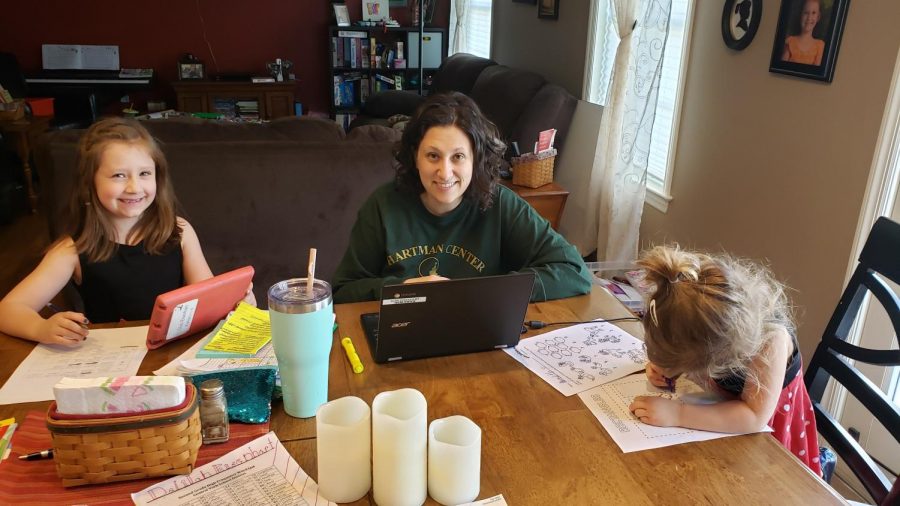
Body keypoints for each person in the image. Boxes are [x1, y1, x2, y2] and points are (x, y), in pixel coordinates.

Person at [0, 117, 254, 346]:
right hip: (111, 362)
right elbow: (8, 310)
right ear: (90, 184)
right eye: (119, 175)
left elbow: (208, 297)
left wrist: (237, 305)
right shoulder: (72, 249)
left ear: (158, 178)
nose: (134, 187)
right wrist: (41, 327)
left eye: (144, 173)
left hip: (174, 356)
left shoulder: (179, 231)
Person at [332, 92, 591, 303]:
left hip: (481, 329)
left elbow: (574, 271)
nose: (445, 172)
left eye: (458, 157)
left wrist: (487, 290)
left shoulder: (500, 203)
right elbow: (342, 291)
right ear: (415, 157)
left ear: (476, 160)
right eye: (433, 155)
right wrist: (404, 288)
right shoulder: (383, 205)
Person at [627, 245, 821, 475]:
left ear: (718, 354)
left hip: (763, 430)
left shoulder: (770, 342)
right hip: (719, 403)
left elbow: (753, 417)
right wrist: (666, 367)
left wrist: (677, 414)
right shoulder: (697, 306)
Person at [781, 0, 825, 65]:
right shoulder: (790, 41)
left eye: (813, 13)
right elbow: (782, 67)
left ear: (818, 17)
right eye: (806, 13)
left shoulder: (820, 46)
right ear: (800, 15)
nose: (809, 17)